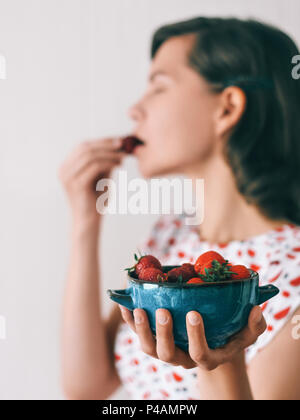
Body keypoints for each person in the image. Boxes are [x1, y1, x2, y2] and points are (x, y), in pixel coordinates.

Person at [59, 16, 300, 400]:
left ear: (227, 108)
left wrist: (220, 357)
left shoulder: (295, 277)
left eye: (158, 87)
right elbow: (88, 385)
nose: (135, 110)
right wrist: (86, 222)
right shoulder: (170, 235)